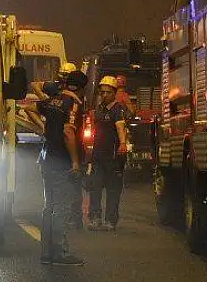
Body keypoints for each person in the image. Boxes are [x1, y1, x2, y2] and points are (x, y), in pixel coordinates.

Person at [22, 70, 88, 265]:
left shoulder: (52, 100)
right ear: (82, 88)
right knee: (61, 208)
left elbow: (29, 108)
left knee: (49, 207)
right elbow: (69, 132)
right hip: (62, 162)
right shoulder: (74, 104)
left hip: (46, 159)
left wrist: (43, 128)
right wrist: (75, 162)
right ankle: (59, 252)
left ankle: (47, 252)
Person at [86, 76, 131, 231]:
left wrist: (123, 144)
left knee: (113, 190)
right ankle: (95, 218)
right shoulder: (99, 109)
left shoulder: (118, 110)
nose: (104, 95)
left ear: (114, 93)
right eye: (102, 92)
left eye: (108, 92)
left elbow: (121, 128)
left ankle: (110, 220)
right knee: (95, 188)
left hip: (113, 158)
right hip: (98, 157)